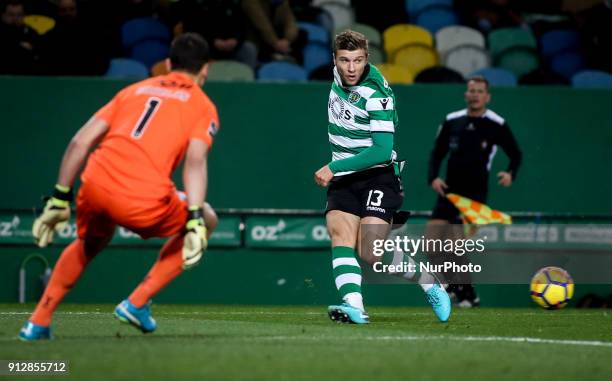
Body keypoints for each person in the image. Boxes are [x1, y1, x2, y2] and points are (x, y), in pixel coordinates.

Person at [19, 33, 220, 341]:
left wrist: (60, 197)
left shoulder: (133, 90)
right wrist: (193, 216)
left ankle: (38, 322)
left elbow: (80, 141)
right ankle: (137, 303)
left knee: (90, 240)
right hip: (143, 199)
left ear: (168, 64)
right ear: (206, 68)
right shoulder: (202, 105)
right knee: (207, 219)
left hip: (95, 185)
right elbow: (195, 162)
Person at [314, 30, 451, 324]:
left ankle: (429, 281)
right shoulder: (339, 74)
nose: (351, 68)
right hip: (345, 180)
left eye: (358, 61)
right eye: (345, 60)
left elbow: (381, 150)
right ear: (334, 60)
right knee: (340, 236)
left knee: (371, 253)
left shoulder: (377, 95)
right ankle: (355, 307)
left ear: (367, 60)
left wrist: (333, 167)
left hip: (378, 176)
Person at [426, 76, 522, 307]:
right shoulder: (452, 121)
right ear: (466, 94)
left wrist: (510, 173)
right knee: (431, 244)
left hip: (475, 195)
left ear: (487, 96)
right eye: (472, 90)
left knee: (455, 244)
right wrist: (433, 178)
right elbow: (436, 153)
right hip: (448, 191)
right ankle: (455, 287)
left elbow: (516, 153)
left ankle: (468, 295)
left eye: (480, 91)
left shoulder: (496, 124)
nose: (475, 94)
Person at [0, 0, 41, 74]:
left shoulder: (32, 34)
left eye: (19, 15)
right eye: (11, 15)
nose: (15, 18)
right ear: (3, 16)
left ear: (24, 16)